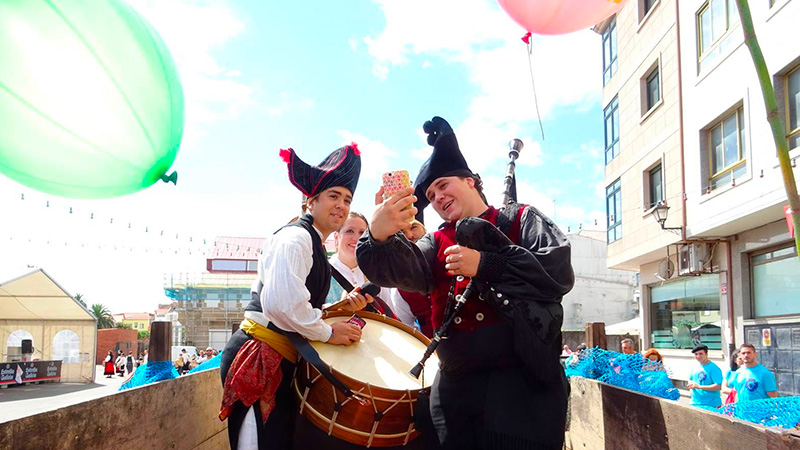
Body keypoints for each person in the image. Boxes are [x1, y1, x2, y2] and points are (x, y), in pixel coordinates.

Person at [357, 116, 574, 450]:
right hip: (455, 389)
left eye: (443, 185)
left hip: (521, 390)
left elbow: (557, 272)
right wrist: (379, 234)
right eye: (430, 194)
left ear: (471, 180)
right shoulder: (435, 241)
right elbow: (402, 270)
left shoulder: (521, 218)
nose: (438, 197)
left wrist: (488, 264)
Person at [219, 143, 366, 450]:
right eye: (333, 196)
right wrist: (328, 332)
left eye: (347, 199)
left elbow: (296, 302)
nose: (341, 205)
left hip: (279, 355)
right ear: (310, 201)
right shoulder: (296, 238)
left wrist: (337, 309)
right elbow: (281, 304)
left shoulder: (311, 242)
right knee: (257, 443)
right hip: (260, 356)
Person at [324, 211, 394, 316]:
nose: (356, 238)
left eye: (362, 232)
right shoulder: (321, 272)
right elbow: (307, 314)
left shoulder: (376, 274)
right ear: (336, 237)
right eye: (349, 231)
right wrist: (339, 308)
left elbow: (389, 315)